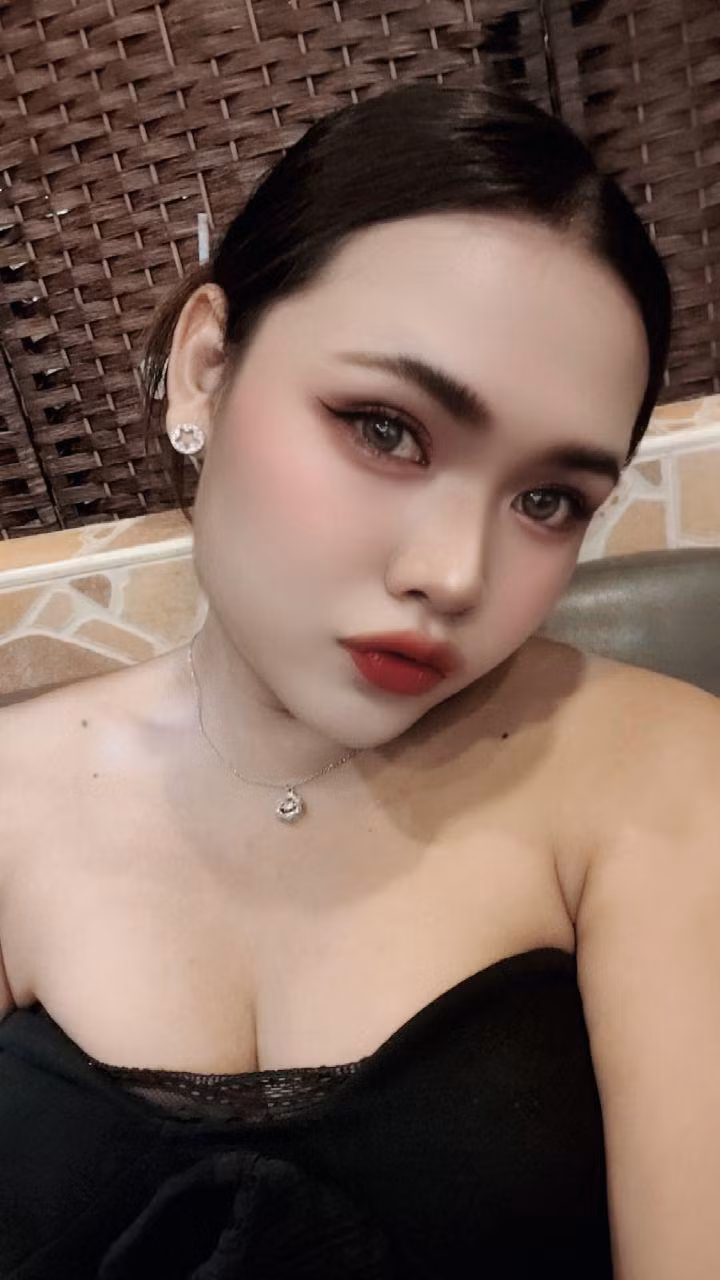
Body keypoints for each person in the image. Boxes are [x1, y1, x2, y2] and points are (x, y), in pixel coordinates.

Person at [0, 80, 718, 1280]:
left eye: (549, 500)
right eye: (386, 428)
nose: (453, 572)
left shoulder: (662, 774)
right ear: (205, 366)